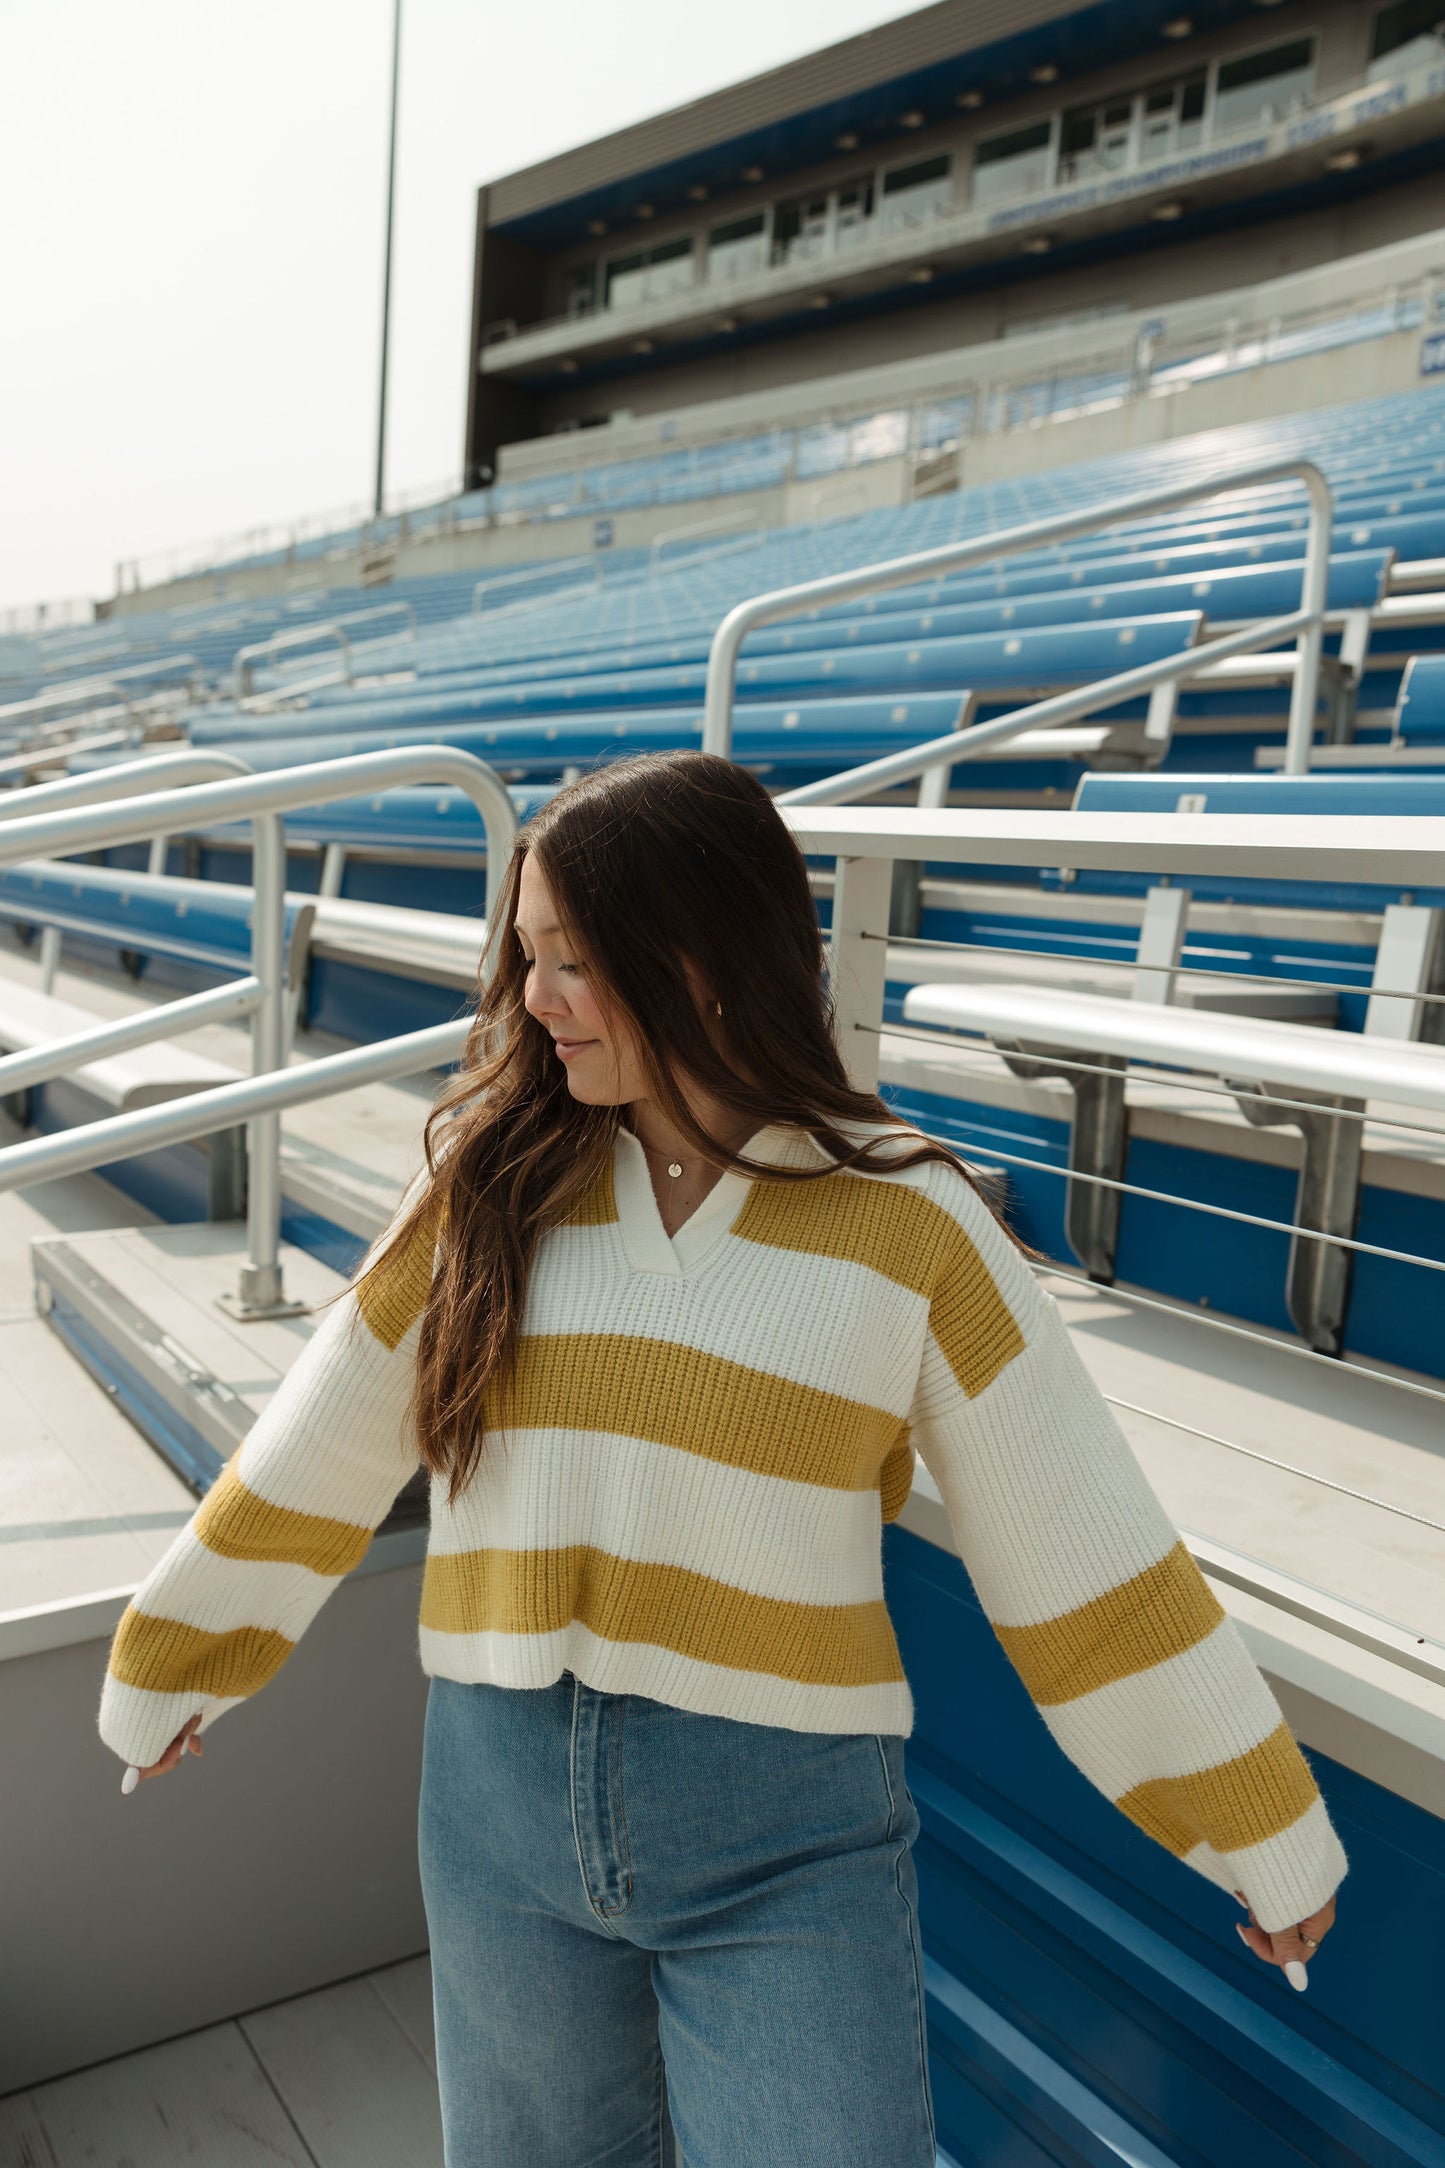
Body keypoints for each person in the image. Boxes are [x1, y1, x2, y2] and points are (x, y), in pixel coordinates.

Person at [98, 750, 1344, 2167]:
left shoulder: (911, 1223)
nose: (533, 1002)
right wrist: (178, 1651)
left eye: (569, 961)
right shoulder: (488, 1184)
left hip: (787, 1843)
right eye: (524, 961)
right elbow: (319, 1435)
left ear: (694, 956)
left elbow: (1082, 1550)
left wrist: (1258, 1829)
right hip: (494, 1813)